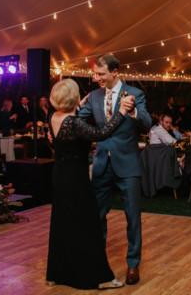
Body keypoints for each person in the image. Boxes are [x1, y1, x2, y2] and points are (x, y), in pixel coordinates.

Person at [47, 79, 134, 289]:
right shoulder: (75, 123)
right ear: (73, 97)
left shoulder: (53, 117)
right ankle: (101, 278)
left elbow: (69, 126)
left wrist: (78, 106)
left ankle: (55, 275)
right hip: (75, 179)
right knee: (89, 225)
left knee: (62, 224)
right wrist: (121, 111)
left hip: (59, 175)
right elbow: (101, 134)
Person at [78, 54, 152, 285]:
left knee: (132, 217)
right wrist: (78, 104)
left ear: (115, 72)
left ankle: (132, 264)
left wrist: (132, 111)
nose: (96, 77)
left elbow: (148, 123)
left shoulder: (135, 94)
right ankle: (96, 261)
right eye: (95, 73)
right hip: (101, 164)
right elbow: (78, 121)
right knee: (96, 216)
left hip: (128, 164)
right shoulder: (95, 96)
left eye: (100, 73)